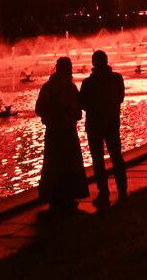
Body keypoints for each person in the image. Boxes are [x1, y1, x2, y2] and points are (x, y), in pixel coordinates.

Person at [35, 57, 88, 211]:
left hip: (52, 131)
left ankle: (53, 196)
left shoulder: (47, 87)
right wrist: (66, 116)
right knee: (70, 164)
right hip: (67, 132)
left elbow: (39, 109)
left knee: (52, 164)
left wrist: (50, 117)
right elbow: (78, 112)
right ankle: (69, 195)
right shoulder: (70, 88)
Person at [80, 50, 127, 207]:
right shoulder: (116, 78)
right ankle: (122, 189)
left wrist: (95, 107)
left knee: (98, 160)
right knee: (116, 156)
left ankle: (104, 193)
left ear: (93, 63)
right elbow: (120, 97)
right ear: (106, 62)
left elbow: (82, 103)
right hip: (112, 122)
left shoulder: (88, 83)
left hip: (94, 124)